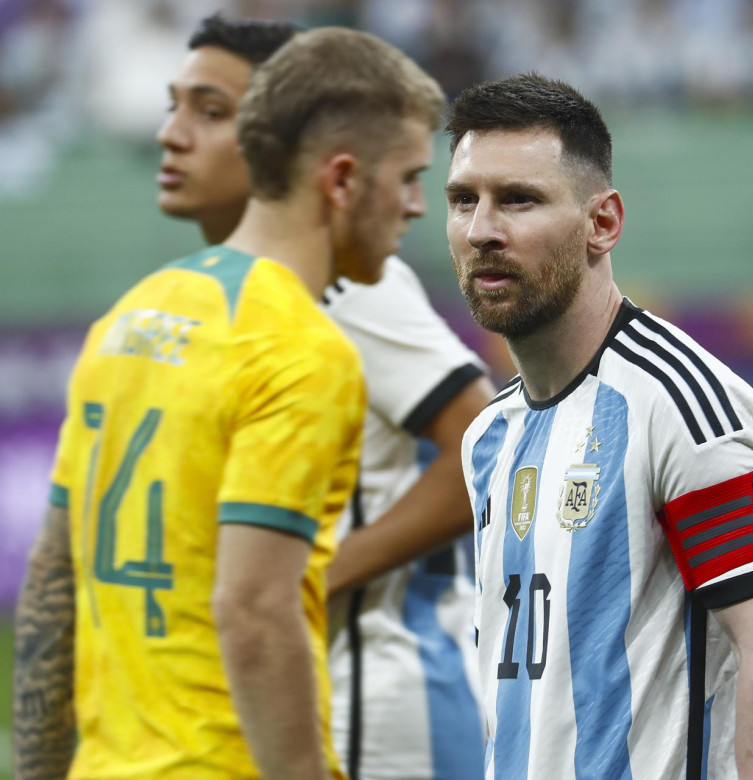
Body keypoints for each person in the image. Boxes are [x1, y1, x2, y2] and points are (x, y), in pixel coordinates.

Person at [13, 27, 445, 780]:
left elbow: (53, 581)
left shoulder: (129, 316)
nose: (415, 206)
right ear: (342, 181)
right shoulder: (303, 349)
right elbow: (252, 610)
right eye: (408, 176)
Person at [446, 73, 753, 780]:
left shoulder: (678, 403)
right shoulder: (489, 435)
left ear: (603, 223)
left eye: (519, 200)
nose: (482, 230)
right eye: (464, 200)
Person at [153, 15, 495, 779]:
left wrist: (313, 575)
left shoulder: (349, 283)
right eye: (173, 106)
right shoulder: (230, 292)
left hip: (383, 688)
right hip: (314, 683)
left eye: (212, 112)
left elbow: (483, 436)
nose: (173, 134)